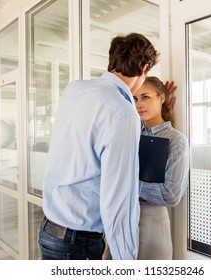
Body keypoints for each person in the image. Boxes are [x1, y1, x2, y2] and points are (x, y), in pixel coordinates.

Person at [38, 33, 159, 260]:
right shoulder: (122, 112)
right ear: (144, 68)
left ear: (113, 61)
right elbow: (119, 199)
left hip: (49, 230)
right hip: (77, 242)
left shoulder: (75, 90)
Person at [134, 76, 189, 260]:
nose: (139, 104)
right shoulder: (131, 132)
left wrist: (130, 185)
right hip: (124, 218)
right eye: (135, 98)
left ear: (162, 98)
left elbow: (171, 195)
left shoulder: (175, 140)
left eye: (146, 97)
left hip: (152, 222)